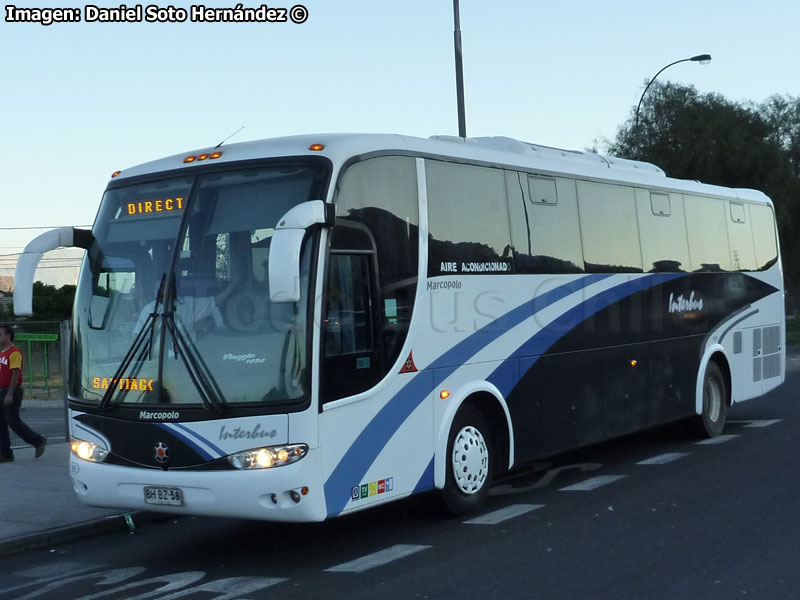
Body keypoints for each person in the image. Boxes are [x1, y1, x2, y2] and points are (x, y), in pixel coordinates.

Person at [0, 324, 46, 462]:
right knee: (0, 423)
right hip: (1, 390)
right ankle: (5, 453)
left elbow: (15, 373)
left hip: (10, 390)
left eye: (0, 334)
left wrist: (10, 394)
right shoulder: (2, 353)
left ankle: (38, 441)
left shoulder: (14, 352)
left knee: (13, 421)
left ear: (9, 336)